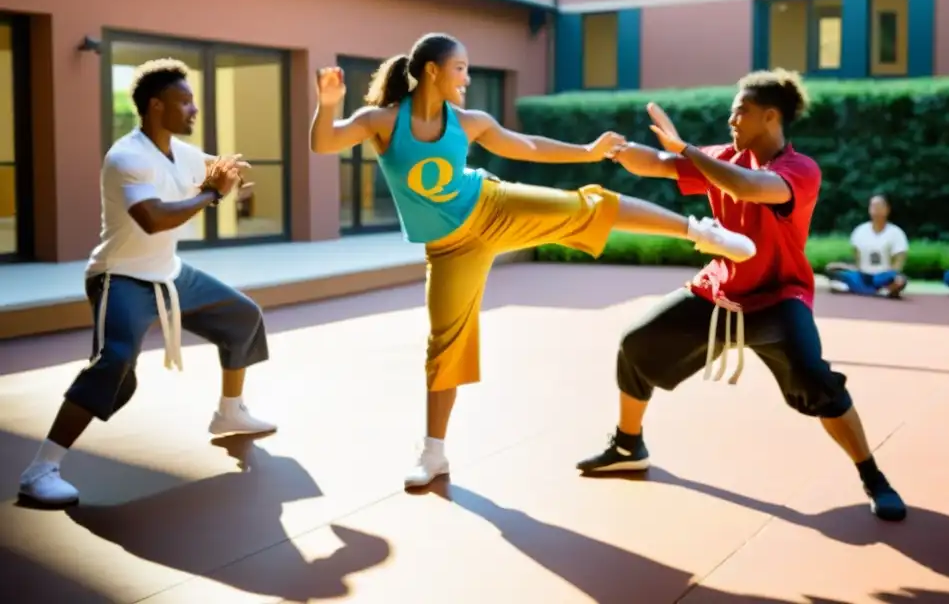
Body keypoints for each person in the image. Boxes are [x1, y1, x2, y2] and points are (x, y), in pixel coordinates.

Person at [309, 32, 757, 490]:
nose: (466, 77)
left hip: (493, 206)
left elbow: (528, 146)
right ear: (432, 71)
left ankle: (700, 232)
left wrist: (586, 152)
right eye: (460, 68)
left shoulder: (469, 122)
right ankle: (434, 452)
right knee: (445, 343)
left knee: (588, 206)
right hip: (450, 247)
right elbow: (324, 143)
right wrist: (328, 103)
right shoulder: (381, 121)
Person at [576, 69, 907, 522]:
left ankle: (873, 476)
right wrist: (617, 150)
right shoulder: (724, 156)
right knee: (635, 344)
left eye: (741, 111)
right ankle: (627, 445)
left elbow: (747, 187)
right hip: (720, 294)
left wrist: (686, 151)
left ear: (770, 117)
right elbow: (657, 162)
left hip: (778, 299)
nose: (731, 118)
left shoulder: (799, 169)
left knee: (816, 380)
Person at [17, 59, 277, 507]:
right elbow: (152, 218)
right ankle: (40, 469)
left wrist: (230, 174)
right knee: (114, 363)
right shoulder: (126, 157)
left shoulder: (181, 151)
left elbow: (219, 169)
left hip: (169, 272)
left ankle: (229, 412)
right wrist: (212, 193)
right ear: (156, 106)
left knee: (243, 316)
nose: (194, 109)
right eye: (185, 101)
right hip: (121, 278)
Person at [824, 194, 909, 298]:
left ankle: (879, 289)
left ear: (887, 209)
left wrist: (890, 274)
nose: (875, 209)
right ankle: (875, 290)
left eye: (879, 206)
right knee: (832, 269)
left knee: (900, 280)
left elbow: (899, 262)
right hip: (863, 274)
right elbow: (857, 258)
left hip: (883, 276)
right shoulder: (860, 231)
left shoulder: (896, 233)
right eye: (872, 206)